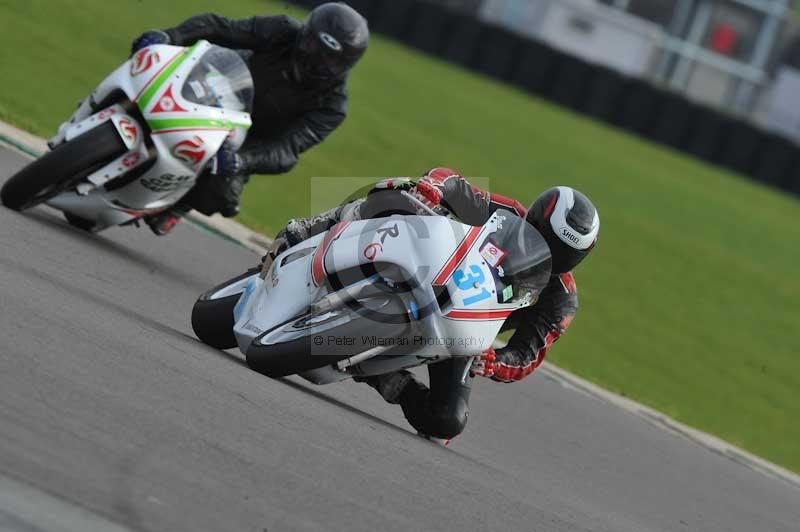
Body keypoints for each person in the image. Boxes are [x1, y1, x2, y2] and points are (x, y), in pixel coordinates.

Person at [268, 167, 600, 440]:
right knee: (399, 192)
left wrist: (495, 362)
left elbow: (526, 355)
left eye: (561, 254)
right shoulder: (506, 212)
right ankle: (311, 229)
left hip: (466, 325)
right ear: (534, 218)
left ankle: (388, 378)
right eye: (543, 237)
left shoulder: (560, 302)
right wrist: (433, 189)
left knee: (446, 421)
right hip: (433, 267)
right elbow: (454, 182)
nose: (546, 252)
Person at [48, 3, 369, 235]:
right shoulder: (282, 30)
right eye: (314, 46)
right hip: (219, 91)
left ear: (345, 65)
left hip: (244, 140)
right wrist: (170, 35)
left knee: (223, 195)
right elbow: (220, 27)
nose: (316, 59)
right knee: (151, 75)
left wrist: (242, 161)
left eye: (329, 59)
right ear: (306, 34)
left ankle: (174, 206)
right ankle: (89, 118)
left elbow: (288, 151)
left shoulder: (332, 106)